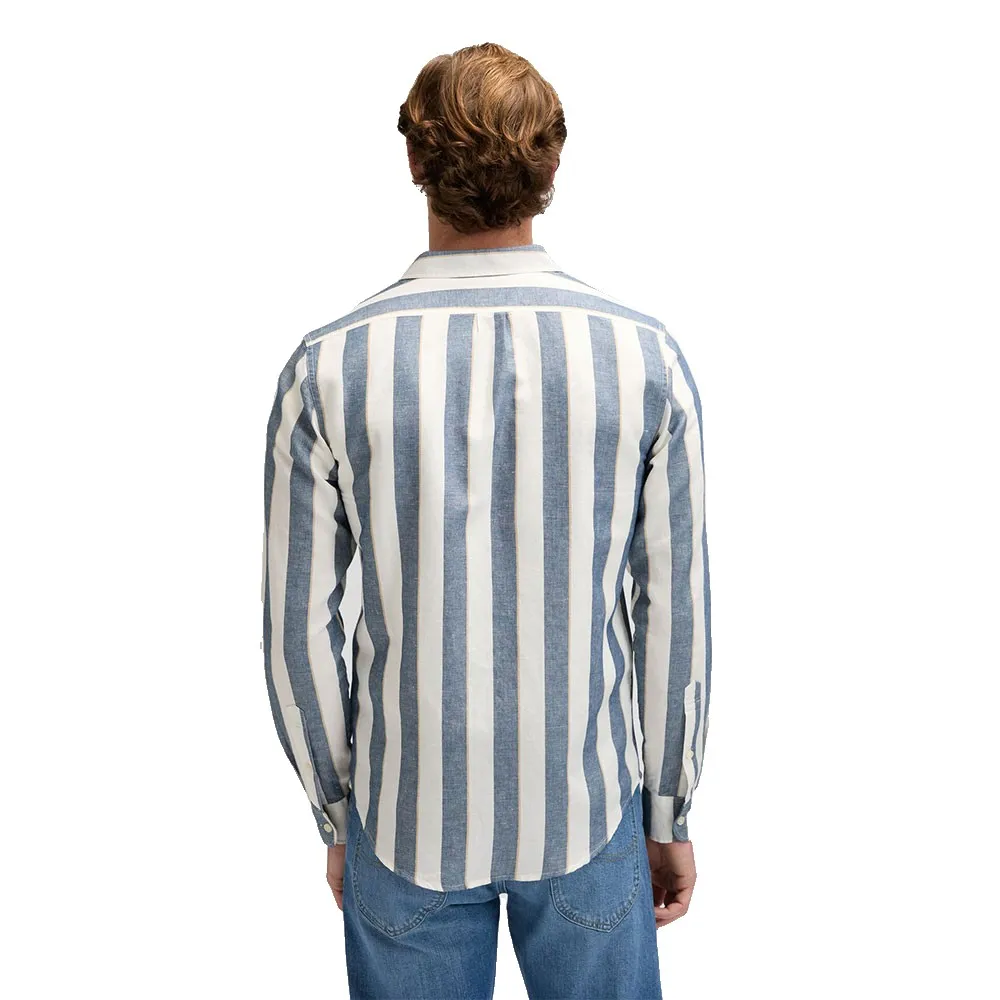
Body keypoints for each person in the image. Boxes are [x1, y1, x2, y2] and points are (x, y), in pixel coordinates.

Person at [262, 41, 712, 1000]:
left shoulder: (328, 367)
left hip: (404, 817)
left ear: (414, 161)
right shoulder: (644, 360)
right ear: (552, 165)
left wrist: (338, 814)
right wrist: (668, 809)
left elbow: (297, 630)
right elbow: (676, 612)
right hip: (588, 808)